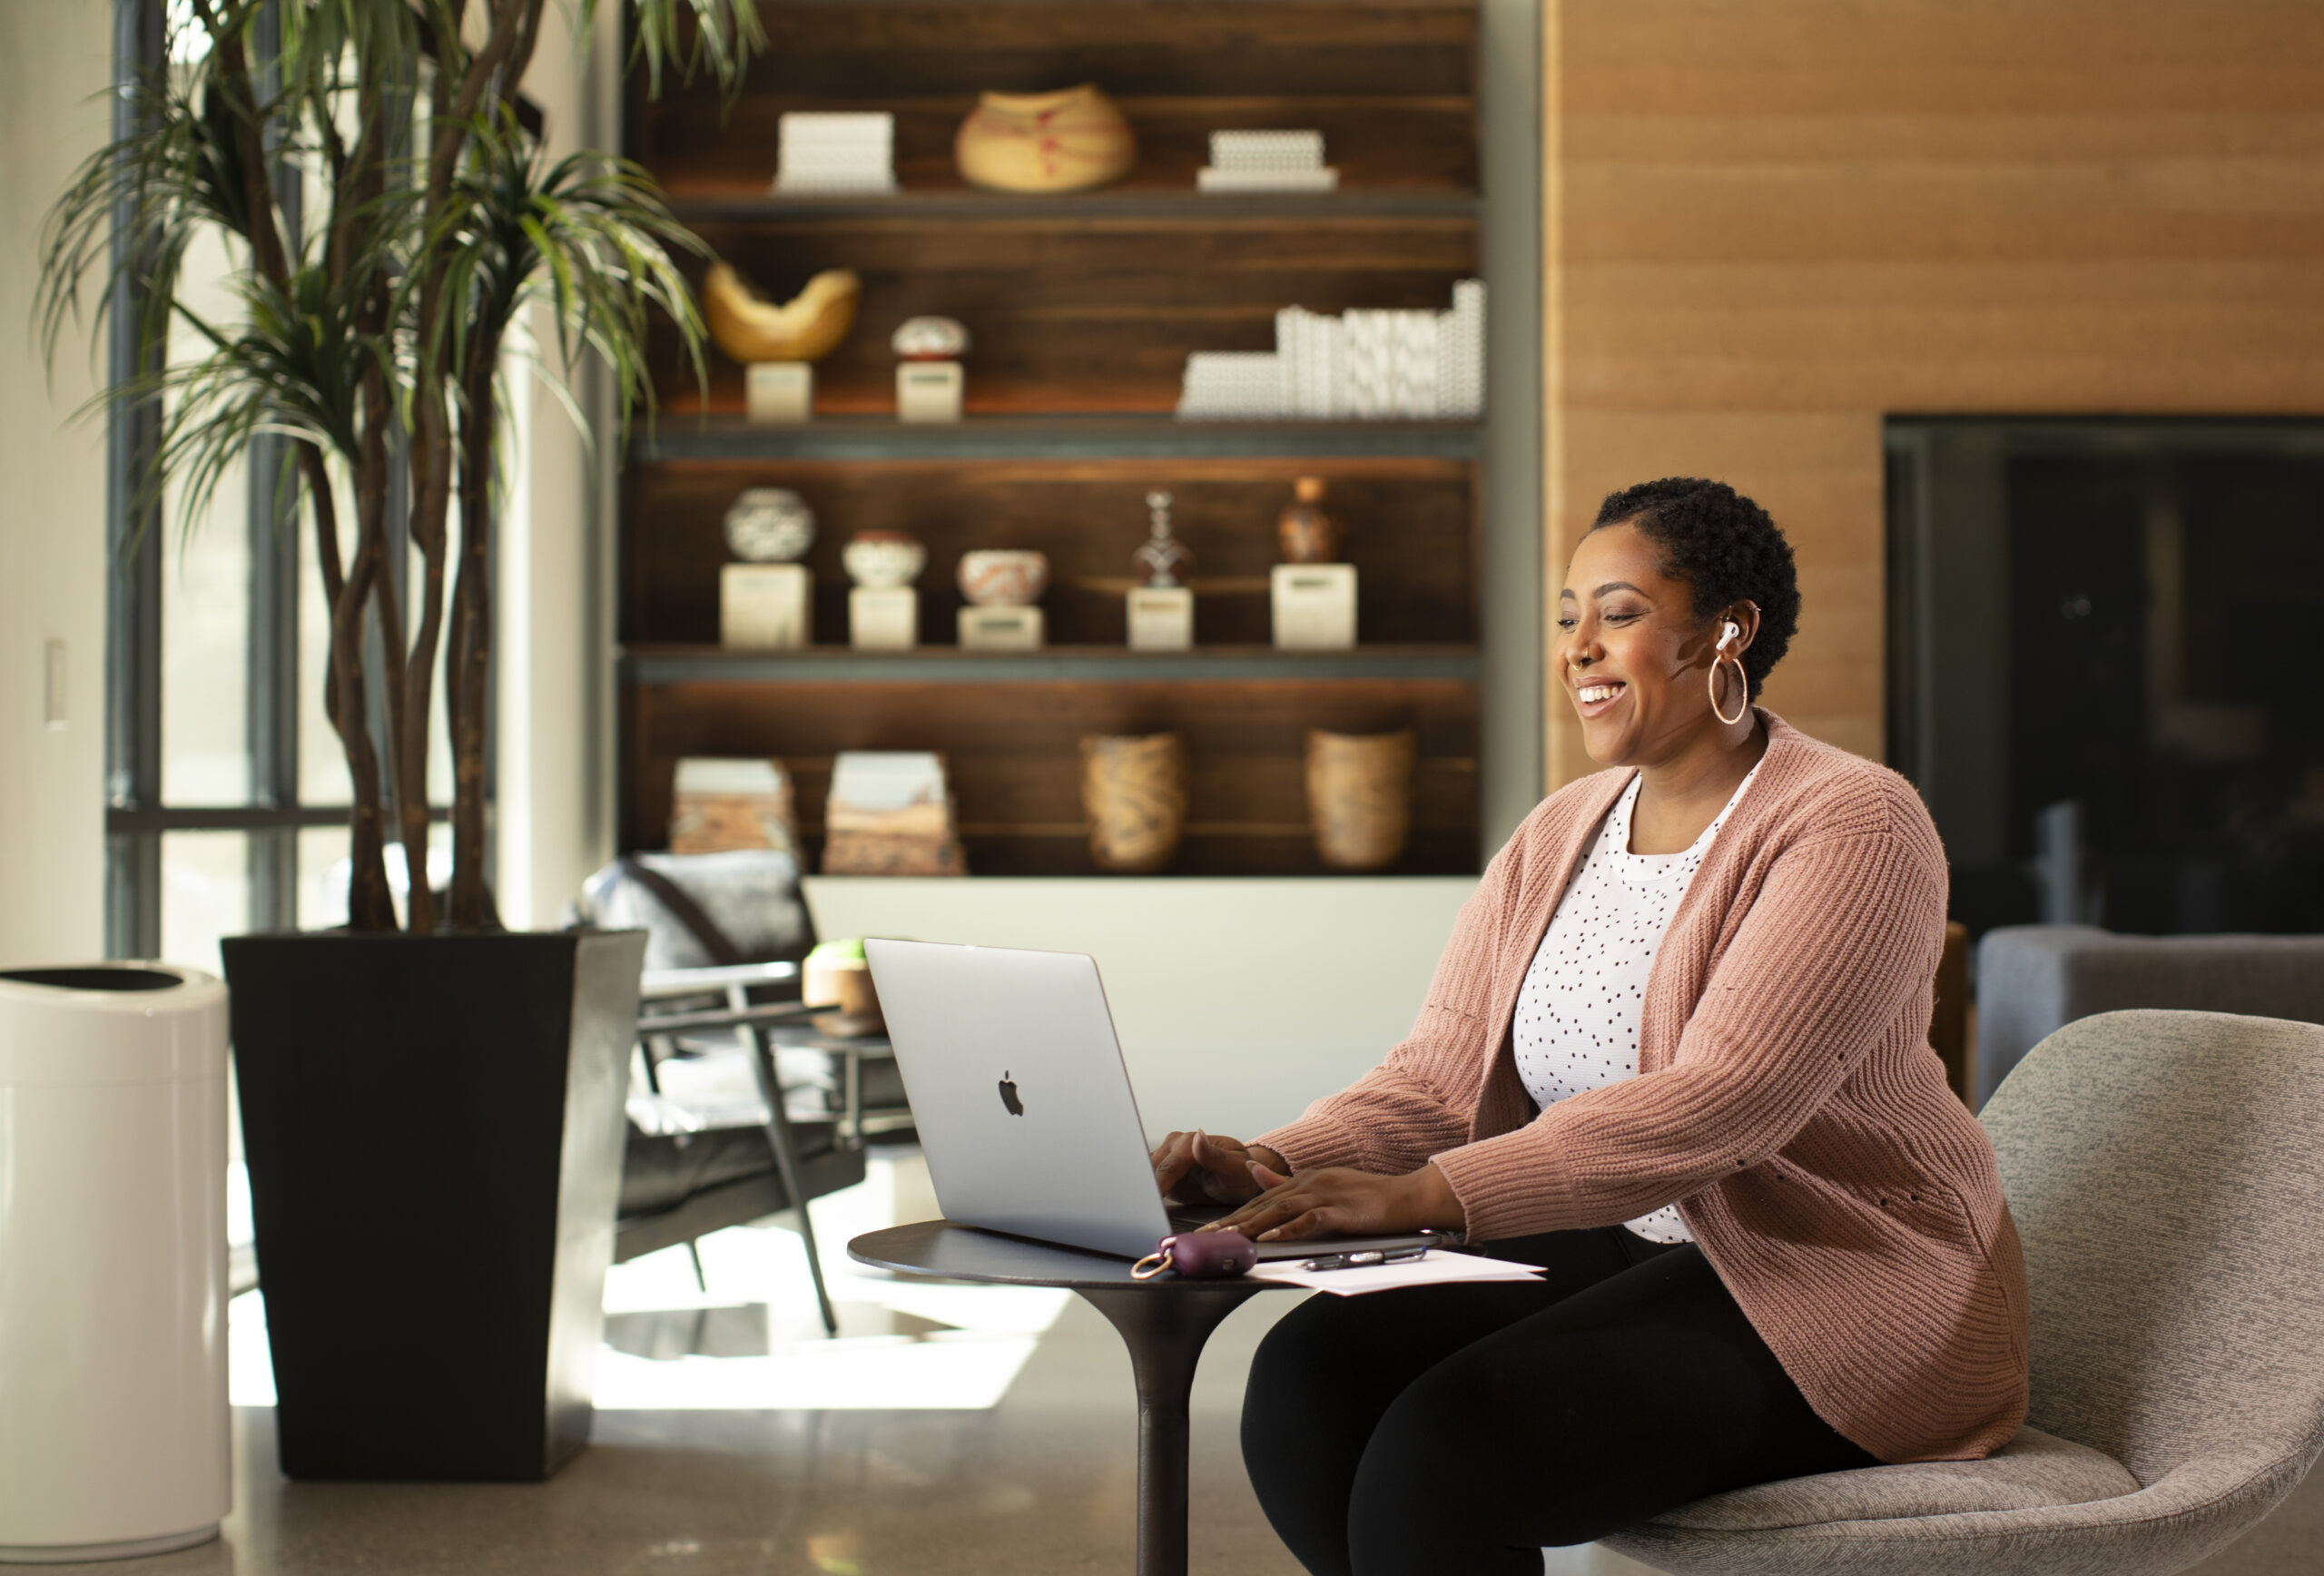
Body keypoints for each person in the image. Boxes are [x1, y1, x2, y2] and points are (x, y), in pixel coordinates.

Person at [1150, 478, 2029, 1576]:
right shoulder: (1562, 825)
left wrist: (1433, 1195)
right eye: (1567, 616)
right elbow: (1435, 1075)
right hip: (1638, 1243)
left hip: (1840, 1275)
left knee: (1446, 1449)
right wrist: (1274, 1162)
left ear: (1728, 632)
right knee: (1306, 1383)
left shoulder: (1853, 821)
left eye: (1617, 613)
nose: (1577, 647)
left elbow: (1728, 1098)